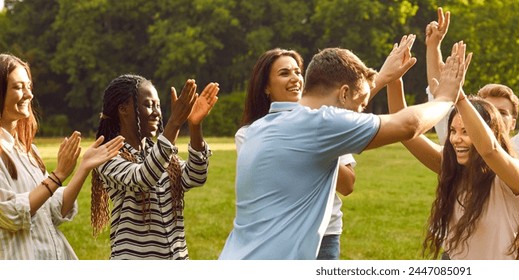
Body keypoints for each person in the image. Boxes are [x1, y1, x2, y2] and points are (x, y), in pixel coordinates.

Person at [219, 38, 470, 260]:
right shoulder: (319, 124)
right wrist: (446, 97)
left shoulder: (258, 129)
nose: (359, 113)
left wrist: (380, 78)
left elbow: (342, 105)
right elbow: (408, 125)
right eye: (360, 106)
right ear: (344, 93)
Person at [389, 6, 519, 260]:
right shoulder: (455, 163)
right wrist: (393, 78)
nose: (456, 138)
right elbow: (404, 128)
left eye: (467, 130)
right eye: (454, 131)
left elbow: (490, 148)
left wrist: (459, 95)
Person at [234, 48, 357, 260]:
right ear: (265, 87)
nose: (295, 79)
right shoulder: (248, 135)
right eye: (284, 73)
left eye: (298, 72)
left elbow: (347, 186)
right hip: (277, 238)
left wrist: (321, 145)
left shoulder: (327, 122)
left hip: (324, 237)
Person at [0, 53, 124, 259]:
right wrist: (57, 175)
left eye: (29, 86)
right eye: (18, 87)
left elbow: (53, 211)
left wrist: (83, 167)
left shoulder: (28, 151)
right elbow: (11, 214)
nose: (29, 94)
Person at [90, 74, 220, 259]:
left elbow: (196, 176)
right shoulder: (107, 155)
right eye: (149, 105)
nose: (157, 113)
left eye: (158, 106)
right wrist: (174, 122)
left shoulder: (160, 153)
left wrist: (194, 126)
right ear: (123, 109)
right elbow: (143, 178)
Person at [425, 6, 519, 164]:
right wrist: (433, 46)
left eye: (502, 112)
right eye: (487, 110)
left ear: (513, 123)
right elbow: (440, 94)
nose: (494, 117)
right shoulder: (459, 148)